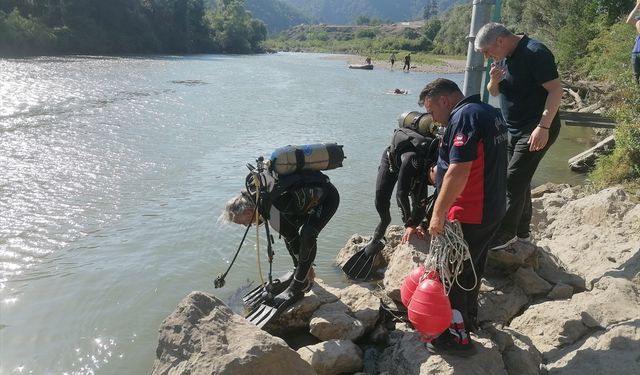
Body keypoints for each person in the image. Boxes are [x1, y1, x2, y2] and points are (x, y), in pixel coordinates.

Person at [422, 78, 507, 356]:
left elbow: (460, 170)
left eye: (432, 111)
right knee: (472, 267)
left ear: (444, 101)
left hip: (469, 211)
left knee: (452, 275)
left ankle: (456, 338)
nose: (433, 119)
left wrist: (438, 213)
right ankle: (469, 319)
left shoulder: (464, 117)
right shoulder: (488, 111)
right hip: (491, 208)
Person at [474, 22, 563, 249]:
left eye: (487, 51)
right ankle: (523, 232)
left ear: (500, 41)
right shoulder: (503, 57)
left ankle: (505, 233)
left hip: (536, 128)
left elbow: (556, 90)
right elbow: (494, 92)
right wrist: (494, 80)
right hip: (511, 128)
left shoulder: (535, 52)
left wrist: (543, 127)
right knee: (520, 180)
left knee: (511, 180)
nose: (486, 57)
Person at [222, 170, 340, 316]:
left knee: (308, 235)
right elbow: (290, 237)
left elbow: (294, 238)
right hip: (308, 203)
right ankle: (300, 275)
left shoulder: (272, 208)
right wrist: (302, 266)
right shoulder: (264, 200)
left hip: (327, 198)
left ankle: (297, 286)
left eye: (243, 223)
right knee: (293, 237)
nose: (246, 226)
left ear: (248, 212)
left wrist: (304, 270)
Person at [342, 119, 438, 280]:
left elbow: (430, 201)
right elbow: (401, 193)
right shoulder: (412, 160)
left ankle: (414, 224)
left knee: (419, 204)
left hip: (418, 171)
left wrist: (421, 224)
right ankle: (378, 236)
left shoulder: (439, 166)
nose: (433, 184)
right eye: (433, 180)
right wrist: (408, 224)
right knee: (381, 201)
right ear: (430, 170)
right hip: (392, 163)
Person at [626, 0, 640, 84]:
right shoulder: (639, 20)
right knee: (636, 78)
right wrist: (637, 5)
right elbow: (629, 20)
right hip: (636, 52)